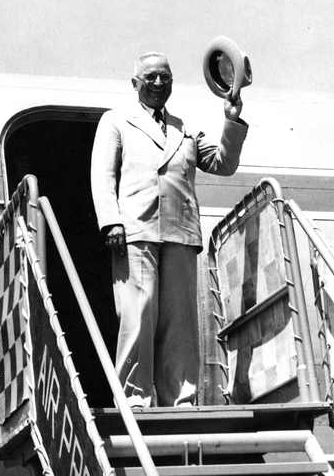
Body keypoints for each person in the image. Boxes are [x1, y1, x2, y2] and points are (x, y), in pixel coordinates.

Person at [90, 51, 247, 407]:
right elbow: (103, 175)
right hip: (136, 229)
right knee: (139, 315)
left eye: (165, 78)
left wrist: (231, 122)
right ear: (135, 84)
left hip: (180, 231)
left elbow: (222, 163)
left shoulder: (184, 127)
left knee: (179, 321)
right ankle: (135, 397)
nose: (158, 84)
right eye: (151, 78)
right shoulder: (116, 122)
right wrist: (110, 220)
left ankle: (182, 398)